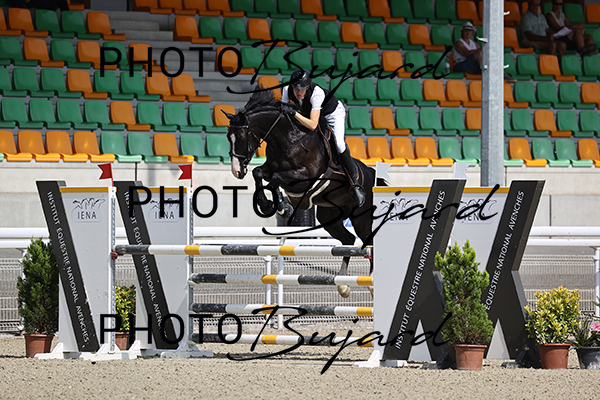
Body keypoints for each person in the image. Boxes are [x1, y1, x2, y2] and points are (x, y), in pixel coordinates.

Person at [281, 68, 366, 207]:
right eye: (296, 88)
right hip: (309, 113)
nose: (298, 92)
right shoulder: (286, 90)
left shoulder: (317, 93)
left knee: (339, 144)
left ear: (307, 87)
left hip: (332, 113)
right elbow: (284, 112)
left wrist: (294, 114)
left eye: (302, 89)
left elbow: (313, 125)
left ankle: (354, 183)